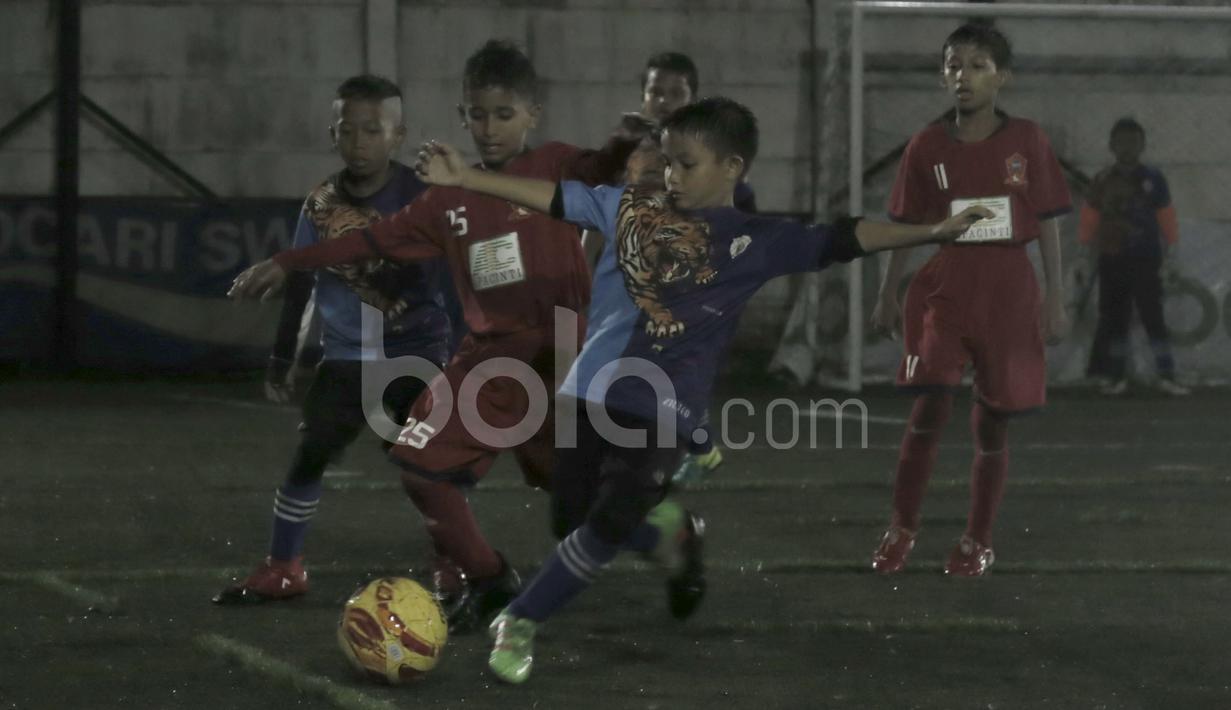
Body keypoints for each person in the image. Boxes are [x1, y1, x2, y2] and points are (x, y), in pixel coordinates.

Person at [414, 96, 991, 683]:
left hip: (662, 407)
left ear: (733, 167)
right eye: (668, 163)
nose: (672, 177)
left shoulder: (756, 239)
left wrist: (931, 231)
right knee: (571, 522)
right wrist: (466, 178)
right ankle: (671, 533)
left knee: (607, 521)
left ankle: (520, 620)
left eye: (687, 165)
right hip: (588, 390)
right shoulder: (635, 210)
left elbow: (841, 238)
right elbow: (560, 199)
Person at [227, 40, 644, 631]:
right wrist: (292, 261)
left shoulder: (552, 165)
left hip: (556, 352)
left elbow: (603, 168)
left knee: (574, 499)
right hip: (491, 360)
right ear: (460, 116)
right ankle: (486, 576)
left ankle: (660, 536)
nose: (489, 128)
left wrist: (627, 142)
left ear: (532, 116)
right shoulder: (445, 197)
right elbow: (369, 240)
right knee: (428, 472)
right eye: (477, 114)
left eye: (503, 114)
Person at [213, 75, 455, 605]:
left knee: (426, 467)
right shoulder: (320, 203)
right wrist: (284, 358)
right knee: (310, 454)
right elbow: (300, 281)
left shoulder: (421, 199)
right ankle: (284, 567)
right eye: (349, 130)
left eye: (374, 130)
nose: (360, 141)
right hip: (347, 356)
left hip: (414, 351)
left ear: (398, 136)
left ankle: (451, 565)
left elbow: (430, 277)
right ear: (333, 133)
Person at [869, 23, 1072, 577]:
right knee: (930, 403)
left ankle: (977, 540)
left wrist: (1055, 296)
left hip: (1008, 287)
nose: (964, 75)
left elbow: (1051, 218)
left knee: (994, 421)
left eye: (978, 65)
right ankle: (901, 528)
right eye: (954, 64)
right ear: (943, 75)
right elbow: (906, 224)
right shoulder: (926, 146)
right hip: (944, 287)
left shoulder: (1027, 139)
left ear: (1002, 77)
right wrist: (888, 292)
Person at [617, 50, 759, 486]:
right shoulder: (632, 158)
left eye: (676, 93)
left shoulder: (714, 168)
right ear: (643, 98)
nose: (664, 101)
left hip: (701, 297)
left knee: (671, 374)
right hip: (650, 292)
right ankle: (700, 446)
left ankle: (686, 449)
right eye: (655, 92)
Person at [1080, 118, 1190, 396]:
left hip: (1145, 259)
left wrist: (1172, 253)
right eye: (1121, 142)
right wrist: (1084, 255)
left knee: (1154, 316)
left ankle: (1166, 374)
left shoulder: (1154, 178)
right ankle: (1117, 375)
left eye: (1133, 142)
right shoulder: (1102, 179)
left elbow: (1165, 215)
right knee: (1115, 318)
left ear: (1142, 145)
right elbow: (1090, 218)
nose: (1127, 148)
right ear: (1111, 146)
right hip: (1112, 258)